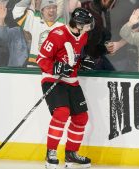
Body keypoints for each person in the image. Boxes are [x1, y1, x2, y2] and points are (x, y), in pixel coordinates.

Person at [36, 7, 95, 169]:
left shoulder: (83, 36)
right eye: (87, 24)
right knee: (62, 113)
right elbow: (41, 59)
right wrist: (56, 68)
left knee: (81, 117)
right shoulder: (57, 35)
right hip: (53, 79)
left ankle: (71, 154)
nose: (89, 27)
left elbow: (73, 57)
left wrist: (81, 62)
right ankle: (51, 153)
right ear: (78, 24)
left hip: (72, 80)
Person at [13, 0, 64, 67]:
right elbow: (17, 12)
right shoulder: (35, 20)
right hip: (34, 66)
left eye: (54, 7)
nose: (52, 10)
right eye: (48, 7)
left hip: (54, 67)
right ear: (42, 10)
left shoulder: (63, 25)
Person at [82, 0, 117, 70]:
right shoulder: (90, 12)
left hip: (96, 56)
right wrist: (105, 49)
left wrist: (107, 49)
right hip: (89, 59)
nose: (114, 3)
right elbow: (92, 42)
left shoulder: (98, 10)